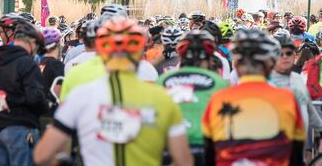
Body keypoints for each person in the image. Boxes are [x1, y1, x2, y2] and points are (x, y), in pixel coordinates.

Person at [33, 19, 193, 166]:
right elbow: (184, 162)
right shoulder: (162, 98)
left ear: (101, 52)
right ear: (139, 52)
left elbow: (42, 156)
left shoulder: (81, 96)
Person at [202, 29, 305, 165]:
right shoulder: (287, 98)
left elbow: (208, 154)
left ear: (237, 65)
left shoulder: (218, 99)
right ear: (270, 65)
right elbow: (296, 153)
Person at [156, 30, 229, 165]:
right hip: (205, 147)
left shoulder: (163, 79)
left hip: (169, 146)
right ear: (209, 59)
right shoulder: (219, 82)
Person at [0, 21, 48, 165]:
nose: (35, 52)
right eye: (37, 48)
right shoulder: (27, 63)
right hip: (21, 127)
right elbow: (35, 97)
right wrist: (45, 106)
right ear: (32, 42)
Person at [38, 27, 65, 113]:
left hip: (35, 113)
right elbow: (59, 92)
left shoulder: (35, 63)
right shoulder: (57, 65)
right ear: (58, 44)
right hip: (50, 114)